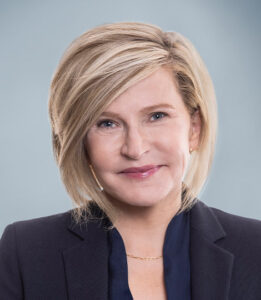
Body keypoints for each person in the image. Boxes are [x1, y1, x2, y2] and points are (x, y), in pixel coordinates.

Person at [0, 21, 260, 300]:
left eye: (157, 116)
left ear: (194, 128)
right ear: (78, 141)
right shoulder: (25, 253)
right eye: (107, 123)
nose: (135, 149)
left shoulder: (255, 249)